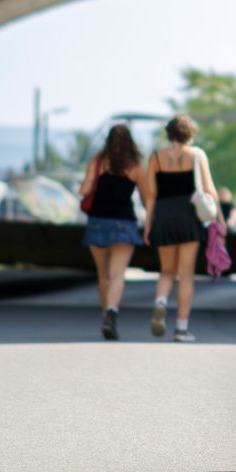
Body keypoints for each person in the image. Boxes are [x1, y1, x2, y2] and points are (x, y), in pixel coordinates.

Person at [143, 113, 224, 342]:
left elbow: (151, 195)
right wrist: (220, 220)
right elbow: (209, 190)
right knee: (186, 275)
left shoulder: (156, 157)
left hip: (163, 216)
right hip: (189, 216)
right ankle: (181, 328)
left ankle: (160, 302)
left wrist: (148, 225)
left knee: (166, 271)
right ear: (190, 133)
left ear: (169, 133)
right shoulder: (197, 154)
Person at [79, 124, 149, 340]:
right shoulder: (135, 165)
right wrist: (151, 225)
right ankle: (112, 311)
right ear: (130, 141)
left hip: (98, 221)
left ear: (108, 140)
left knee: (103, 275)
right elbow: (147, 198)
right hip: (124, 223)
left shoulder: (99, 161)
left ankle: (105, 315)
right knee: (118, 274)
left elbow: (83, 191)